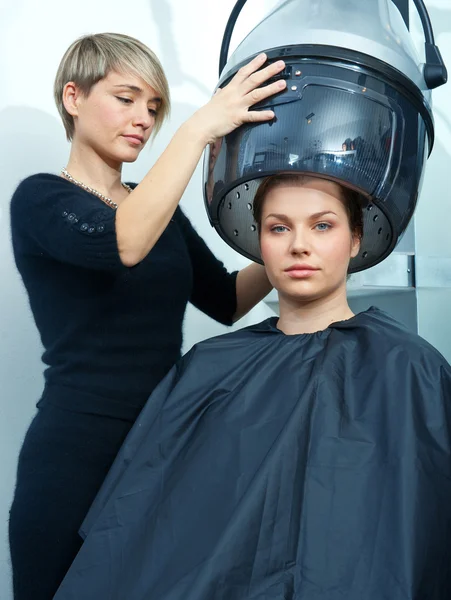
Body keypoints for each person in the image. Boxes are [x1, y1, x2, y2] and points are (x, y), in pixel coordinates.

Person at [54, 174, 451, 600]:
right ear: (259, 243)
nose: (299, 245)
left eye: (322, 225)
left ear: (355, 238)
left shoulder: (410, 367)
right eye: (279, 227)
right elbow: (134, 528)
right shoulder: (209, 369)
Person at [8, 32, 288, 600]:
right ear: (73, 98)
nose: (144, 118)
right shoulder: (39, 199)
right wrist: (198, 127)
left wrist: (295, 244)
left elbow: (227, 300)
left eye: (155, 107)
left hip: (162, 451)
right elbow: (123, 244)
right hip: (73, 458)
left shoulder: (150, 206)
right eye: (126, 98)